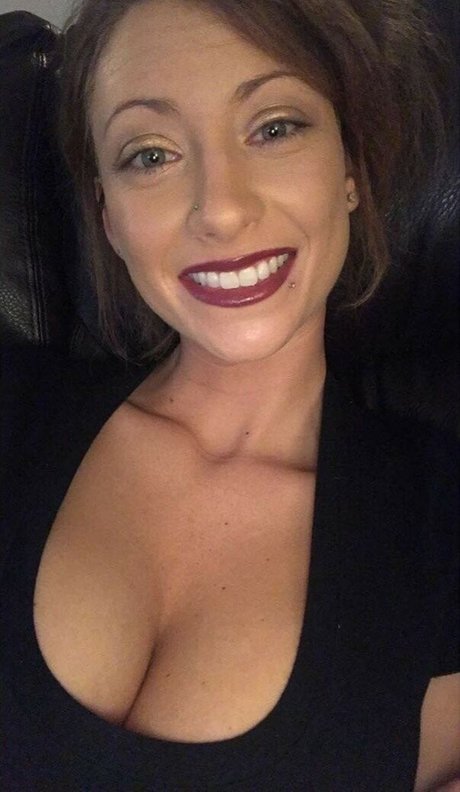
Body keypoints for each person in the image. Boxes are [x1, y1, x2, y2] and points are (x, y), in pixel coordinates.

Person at [0, 0, 458, 789]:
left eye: (274, 128)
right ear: (108, 216)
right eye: (150, 154)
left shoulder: (441, 517)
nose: (221, 209)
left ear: (350, 170)